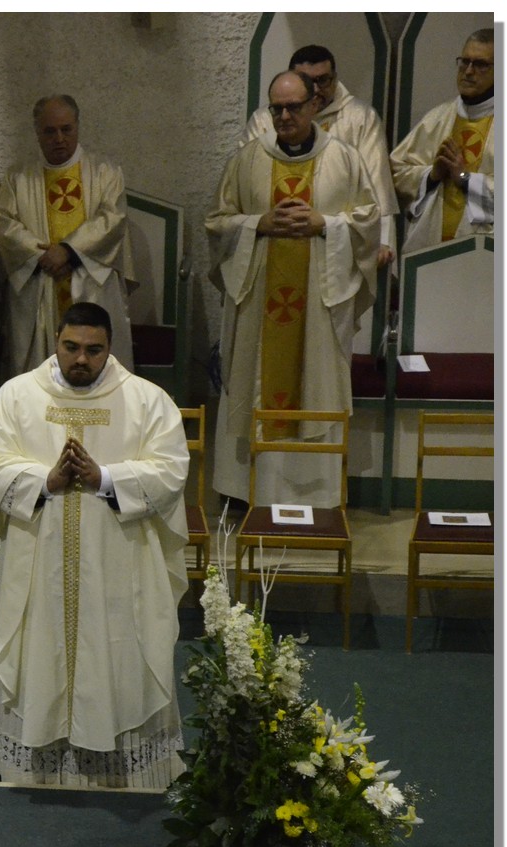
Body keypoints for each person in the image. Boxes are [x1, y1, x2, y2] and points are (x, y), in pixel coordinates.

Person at [0, 302, 188, 788]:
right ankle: (32, 768)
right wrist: (45, 481)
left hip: (117, 566)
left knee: (117, 653)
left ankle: (119, 771)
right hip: (38, 563)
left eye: (94, 350)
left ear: (110, 348)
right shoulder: (17, 397)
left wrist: (105, 478)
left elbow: (171, 470)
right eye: (71, 347)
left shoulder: (147, 401)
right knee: (38, 652)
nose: (81, 360)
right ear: (56, 341)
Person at [207, 70, 378, 509]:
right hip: (259, 301)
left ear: (314, 105)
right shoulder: (246, 160)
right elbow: (217, 223)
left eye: (293, 107)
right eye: (276, 108)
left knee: (316, 380)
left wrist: (327, 224)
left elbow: (368, 221)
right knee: (253, 378)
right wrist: (257, 224)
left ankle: (314, 496)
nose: (284, 116)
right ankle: (247, 491)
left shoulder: (344, 159)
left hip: (319, 304)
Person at [0, 94, 136, 377]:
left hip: (91, 284)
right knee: (39, 375)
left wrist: (68, 251)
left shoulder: (105, 172)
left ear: (77, 126)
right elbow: (4, 224)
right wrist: (41, 255)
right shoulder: (17, 178)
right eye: (49, 131)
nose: (59, 138)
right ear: (37, 132)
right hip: (39, 282)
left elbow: (112, 219)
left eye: (66, 129)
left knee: (96, 367)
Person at [241, 45, 399, 267]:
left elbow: (377, 185)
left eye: (322, 80)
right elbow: (244, 184)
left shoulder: (359, 118)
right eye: (306, 80)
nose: (315, 89)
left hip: (337, 249)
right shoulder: (264, 120)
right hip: (274, 242)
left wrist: (381, 242)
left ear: (335, 79)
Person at [390, 28, 495, 253]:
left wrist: (465, 178)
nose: (468, 71)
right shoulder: (438, 118)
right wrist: (432, 175)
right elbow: (396, 171)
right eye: (464, 62)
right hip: (431, 251)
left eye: (480, 64)